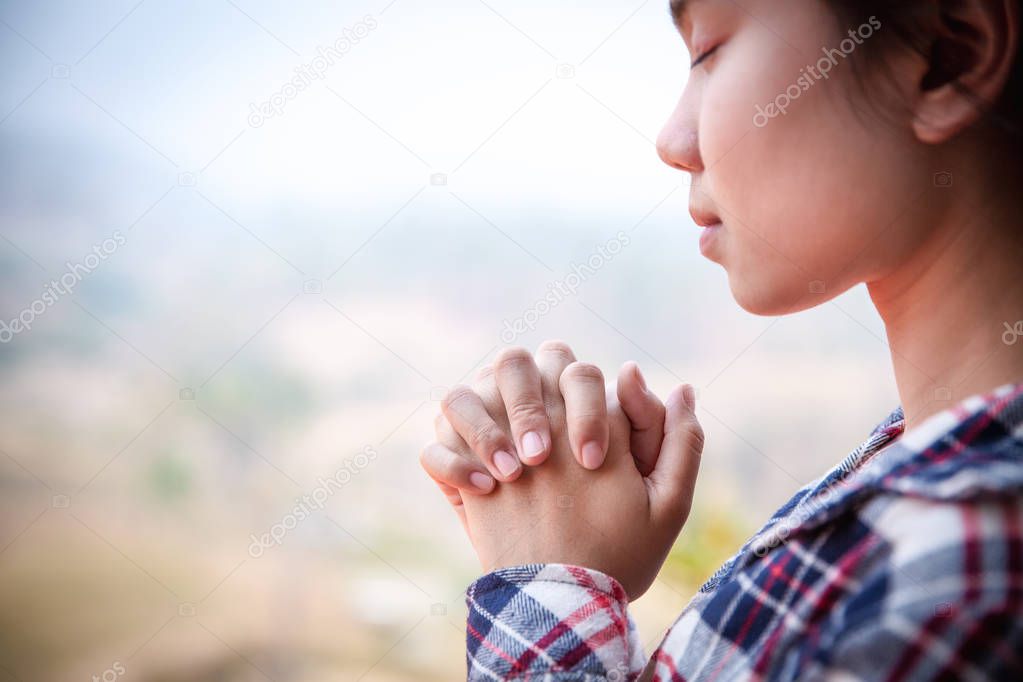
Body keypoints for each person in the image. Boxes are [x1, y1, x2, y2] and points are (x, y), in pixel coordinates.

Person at [420, 0, 1023, 679]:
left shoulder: (964, 578)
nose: (672, 140)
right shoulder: (918, 475)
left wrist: (552, 588)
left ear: (949, 57)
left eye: (707, 52)